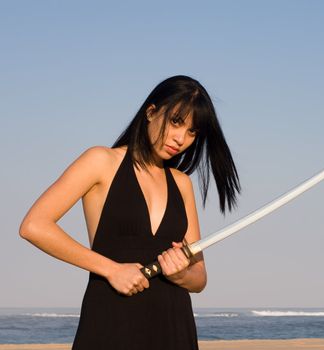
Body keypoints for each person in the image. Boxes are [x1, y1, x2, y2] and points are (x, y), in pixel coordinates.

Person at [19, 75, 241, 349]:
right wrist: (111, 269)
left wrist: (180, 274)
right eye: (175, 122)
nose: (181, 138)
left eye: (193, 132)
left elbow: (199, 277)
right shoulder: (101, 162)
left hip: (174, 329)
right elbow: (34, 225)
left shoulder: (182, 184)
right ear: (151, 112)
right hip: (112, 322)